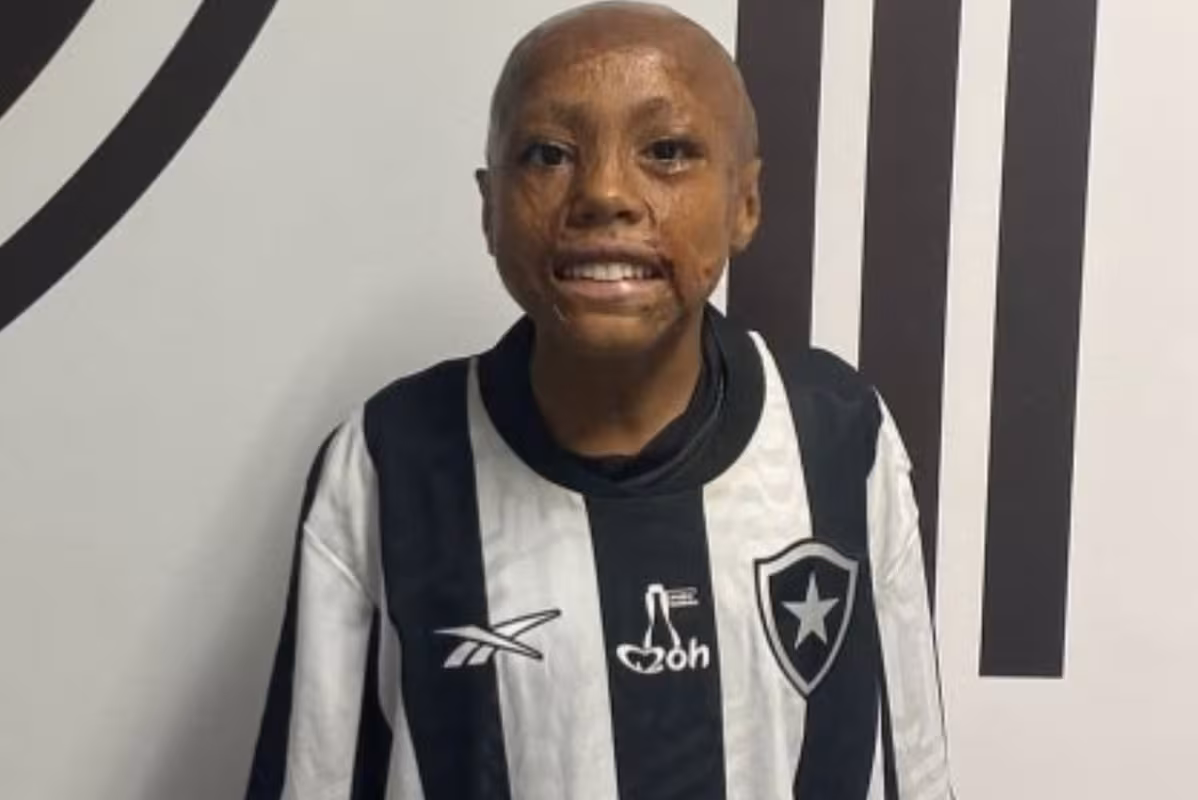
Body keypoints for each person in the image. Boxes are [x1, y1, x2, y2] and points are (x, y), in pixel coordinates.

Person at [245, 2, 953, 798]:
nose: (605, 192)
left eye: (667, 151)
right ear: (489, 205)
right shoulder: (390, 460)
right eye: (549, 154)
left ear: (745, 203)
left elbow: (913, 770)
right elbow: (314, 774)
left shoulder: (840, 438)